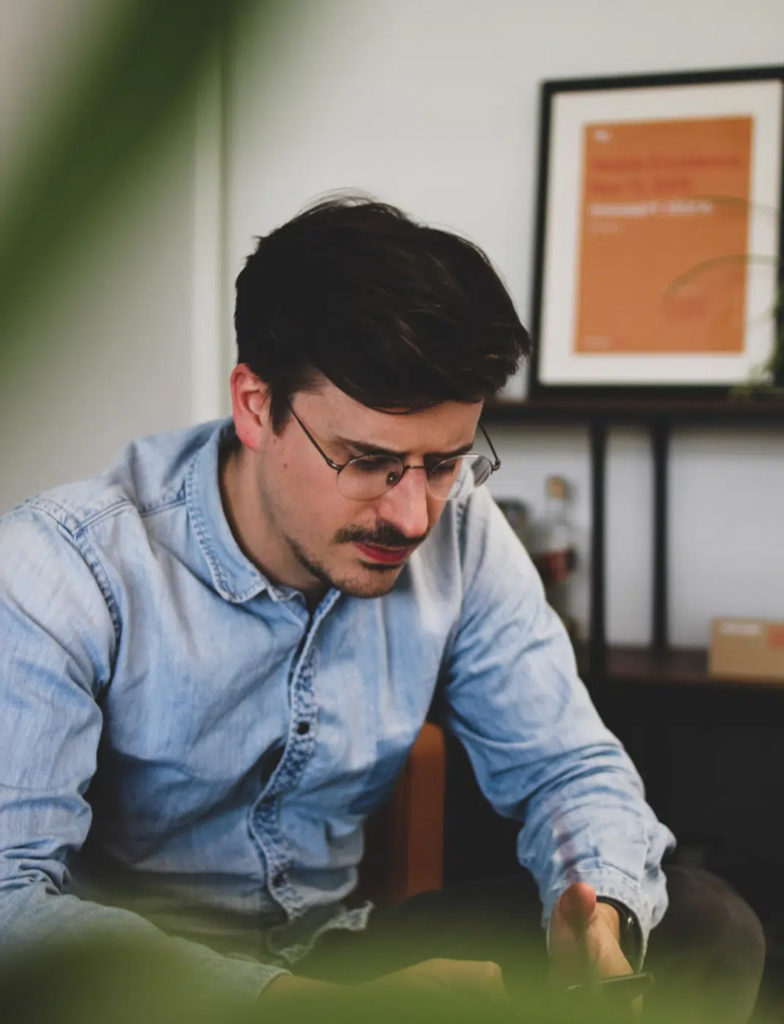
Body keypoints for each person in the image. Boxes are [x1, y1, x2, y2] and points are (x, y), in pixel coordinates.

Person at [0, 196, 764, 1020]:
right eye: (367, 461)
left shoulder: (460, 533)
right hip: (138, 988)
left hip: (335, 949)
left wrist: (600, 913)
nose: (412, 517)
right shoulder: (63, 566)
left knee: (704, 928)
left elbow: (565, 768)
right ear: (255, 406)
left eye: (445, 463)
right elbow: (11, 902)